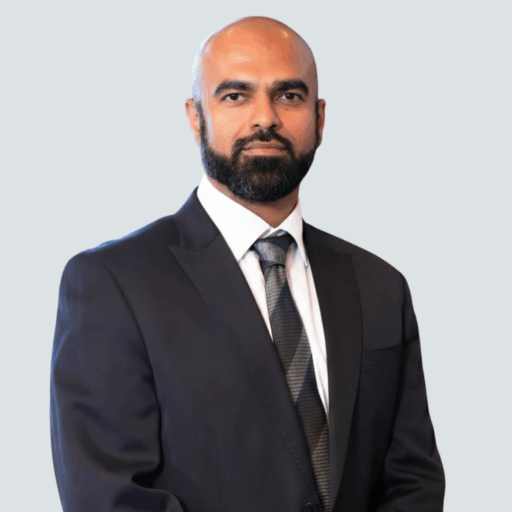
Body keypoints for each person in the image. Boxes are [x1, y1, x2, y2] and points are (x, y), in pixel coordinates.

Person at [50, 16, 445, 512]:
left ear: (320, 118)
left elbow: (413, 482)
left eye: (289, 96)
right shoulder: (113, 284)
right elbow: (111, 497)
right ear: (196, 117)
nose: (266, 118)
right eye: (236, 96)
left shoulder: (380, 287)